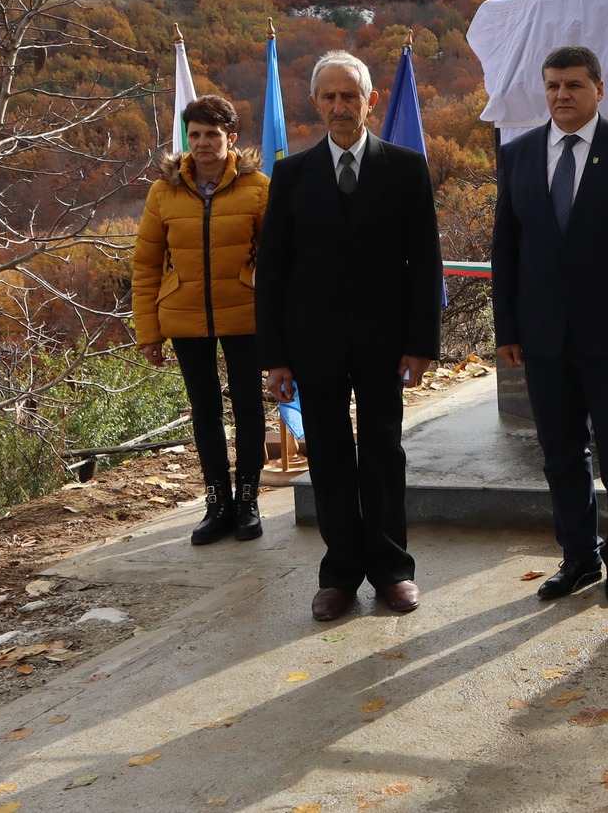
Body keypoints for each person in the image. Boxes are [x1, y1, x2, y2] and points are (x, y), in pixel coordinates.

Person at [256, 51, 443, 623]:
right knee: (331, 455)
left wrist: (420, 344)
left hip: (386, 346)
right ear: (315, 103)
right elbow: (275, 272)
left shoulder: (406, 168)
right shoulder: (291, 176)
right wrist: (276, 357)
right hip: (313, 345)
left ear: (371, 101)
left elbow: (424, 264)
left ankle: (392, 570)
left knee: (384, 453)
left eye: (350, 96)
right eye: (329, 97)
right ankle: (339, 574)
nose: (340, 106)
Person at [495, 46, 608, 607]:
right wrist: (507, 328)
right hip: (544, 337)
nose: (561, 95)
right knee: (560, 454)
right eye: (552, 86)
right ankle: (579, 558)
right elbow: (507, 247)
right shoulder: (520, 154)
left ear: (600, 88)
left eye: (573, 85)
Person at [131, 95, 273, 546]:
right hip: (184, 315)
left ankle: (247, 499)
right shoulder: (163, 191)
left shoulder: (258, 187)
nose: (203, 143)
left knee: (250, 407)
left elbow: (279, 259)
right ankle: (217, 503)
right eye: (194, 134)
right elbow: (146, 265)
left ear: (231, 138)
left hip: (246, 314)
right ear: (185, 138)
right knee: (205, 410)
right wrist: (148, 332)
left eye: (212, 134)